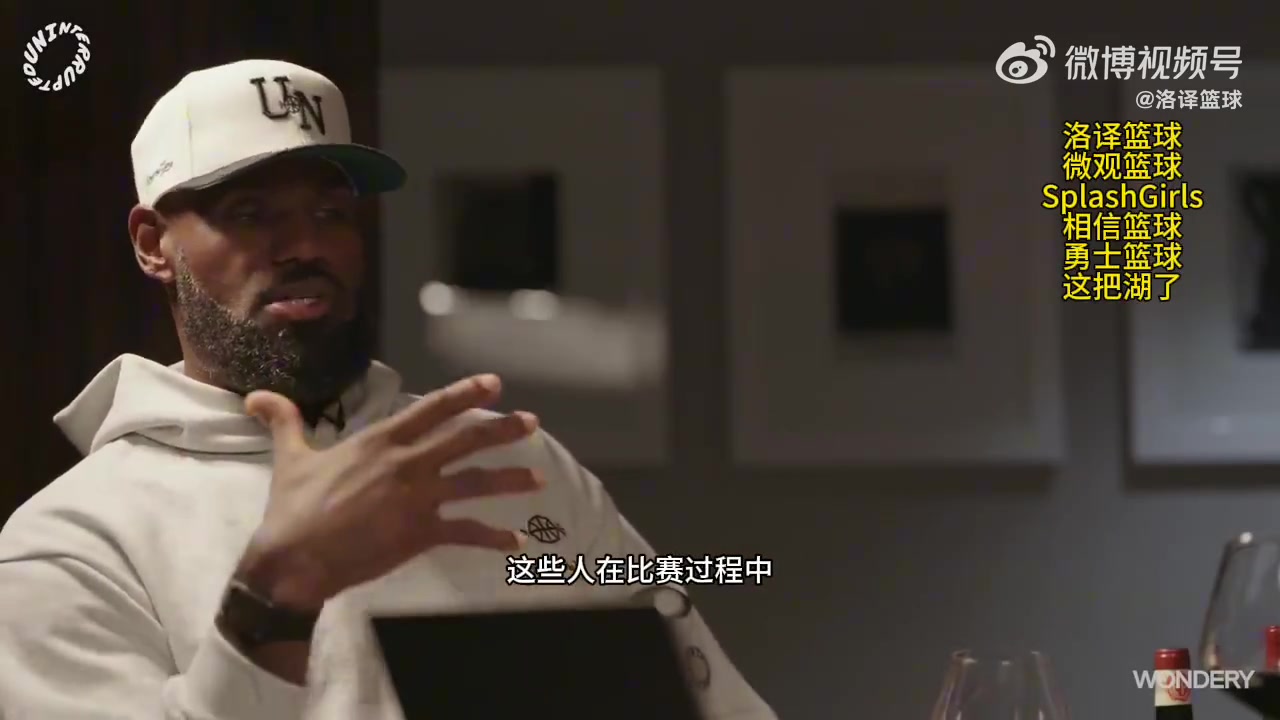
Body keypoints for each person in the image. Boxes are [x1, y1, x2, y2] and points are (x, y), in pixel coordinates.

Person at [0, 59, 776, 720]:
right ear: (153, 245)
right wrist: (273, 598)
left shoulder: (514, 464)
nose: (305, 244)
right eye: (250, 212)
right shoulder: (73, 544)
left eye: (330, 211)